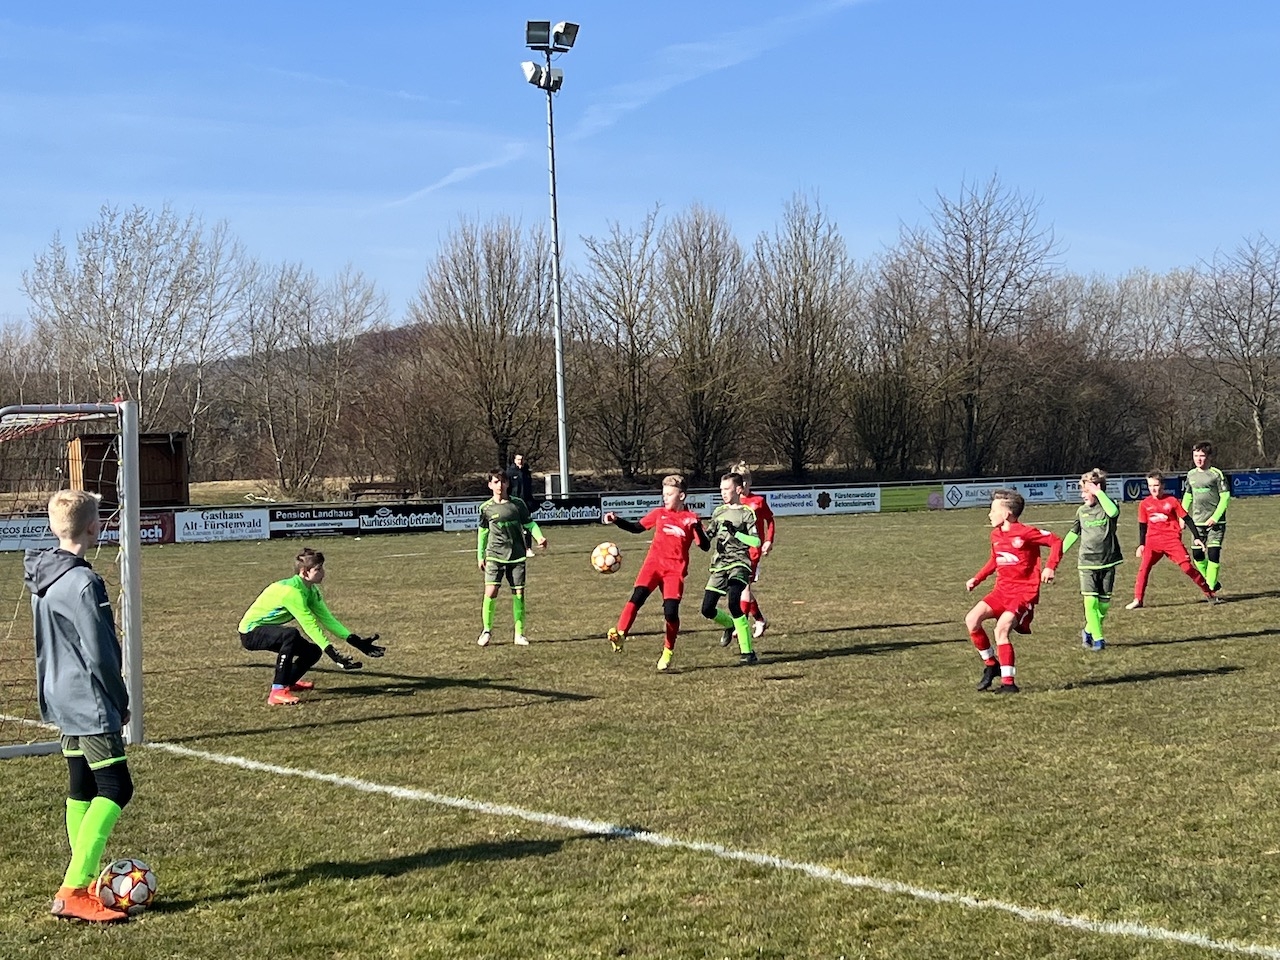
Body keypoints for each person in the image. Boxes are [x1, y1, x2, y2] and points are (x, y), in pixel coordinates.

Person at [25, 490, 135, 922]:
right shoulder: (84, 582)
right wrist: (119, 698)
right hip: (89, 700)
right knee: (117, 787)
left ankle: (82, 879)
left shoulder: (42, 576)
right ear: (93, 527)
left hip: (59, 694)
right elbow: (101, 651)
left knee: (82, 785)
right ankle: (74, 888)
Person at [239, 548, 383, 706]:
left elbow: (328, 619)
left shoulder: (311, 590)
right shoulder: (291, 592)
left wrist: (356, 642)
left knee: (313, 652)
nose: (323, 573)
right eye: (318, 569)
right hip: (250, 632)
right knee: (290, 635)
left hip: (263, 629)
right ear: (304, 572)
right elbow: (309, 624)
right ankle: (277, 691)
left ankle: (288, 681)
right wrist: (333, 654)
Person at [603, 474, 710, 671]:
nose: (665, 498)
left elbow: (704, 546)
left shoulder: (690, 519)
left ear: (682, 496)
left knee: (671, 613)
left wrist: (697, 528)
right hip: (652, 566)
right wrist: (617, 520)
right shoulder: (659, 513)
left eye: (669, 494)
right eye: (664, 494)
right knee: (637, 598)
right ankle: (620, 634)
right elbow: (636, 528)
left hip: (674, 571)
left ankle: (668, 650)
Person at [964, 489, 1063, 694]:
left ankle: (1009, 683)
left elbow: (1056, 541)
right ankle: (991, 665)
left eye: (993, 510)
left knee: (1001, 629)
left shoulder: (1025, 533)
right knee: (971, 620)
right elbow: (995, 560)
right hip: (1001, 591)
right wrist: (977, 578)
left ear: (1007, 513)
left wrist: (1050, 567)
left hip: (1023, 593)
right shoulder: (996, 535)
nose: (989, 514)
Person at [1127, 471, 1218, 609]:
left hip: (1171, 541)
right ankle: (1138, 599)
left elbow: (1187, 519)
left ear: (1162, 485)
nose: (1153, 489)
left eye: (1156, 485)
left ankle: (1209, 593)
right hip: (1152, 542)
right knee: (1143, 569)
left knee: (1187, 568)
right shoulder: (1144, 504)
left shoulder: (1172, 501)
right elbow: (1142, 526)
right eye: (1150, 486)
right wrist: (1141, 544)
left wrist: (1197, 537)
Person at [477, 468, 547, 647]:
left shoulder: (518, 504)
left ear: (508, 483)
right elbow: (483, 532)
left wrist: (539, 537)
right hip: (494, 556)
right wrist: (480, 555)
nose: (499, 485)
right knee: (491, 591)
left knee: (519, 593)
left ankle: (519, 634)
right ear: (490, 485)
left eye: (502, 481)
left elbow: (530, 524)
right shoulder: (485, 508)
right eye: (496, 481)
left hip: (516, 556)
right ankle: (486, 630)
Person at [701, 472, 762, 666]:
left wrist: (736, 533)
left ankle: (748, 652)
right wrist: (697, 531)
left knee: (734, 601)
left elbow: (756, 541)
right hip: (720, 564)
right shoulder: (718, 512)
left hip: (739, 563)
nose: (723, 493)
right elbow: (707, 540)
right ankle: (729, 625)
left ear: (738, 489)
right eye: (721, 489)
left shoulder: (746, 513)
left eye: (727, 489)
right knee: (707, 609)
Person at [1061, 469, 1123, 651]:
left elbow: (1113, 512)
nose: (1082, 495)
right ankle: (1098, 639)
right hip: (1087, 562)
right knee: (1091, 602)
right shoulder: (1081, 511)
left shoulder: (1110, 505)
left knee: (1104, 605)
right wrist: (1059, 553)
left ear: (1098, 490)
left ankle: (1088, 630)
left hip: (1108, 561)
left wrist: (1098, 493)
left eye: (1086, 491)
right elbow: (1074, 533)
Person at [732, 460, 776, 642]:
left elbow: (770, 520)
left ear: (749, 481)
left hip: (752, 551)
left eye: (745, 480)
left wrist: (768, 540)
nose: (742, 484)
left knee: (744, 587)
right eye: (738, 480)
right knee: (739, 588)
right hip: (735, 550)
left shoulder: (758, 501)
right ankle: (759, 619)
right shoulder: (732, 503)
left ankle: (741, 624)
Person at [1182, 441, 1230, 592]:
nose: (1198, 459)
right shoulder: (1191, 475)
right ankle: (1211, 581)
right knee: (1197, 555)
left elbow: (1225, 497)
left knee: (1213, 553)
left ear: (1209, 457)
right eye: (1195, 455)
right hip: (1197, 522)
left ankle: (1210, 587)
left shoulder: (1216, 474)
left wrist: (1215, 517)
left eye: (1202, 456)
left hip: (1216, 523)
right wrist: (1182, 516)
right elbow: (1188, 496)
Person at [505, 453, 535, 557]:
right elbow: (508, 489)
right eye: (518, 459)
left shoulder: (527, 472)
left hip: (526, 504)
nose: (520, 461)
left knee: (527, 526)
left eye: (521, 459)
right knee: (513, 526)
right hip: (514, 503)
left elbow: (529, 488)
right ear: (514, 460)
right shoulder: (509, 473)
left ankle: (528, 548)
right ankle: (513, 548)